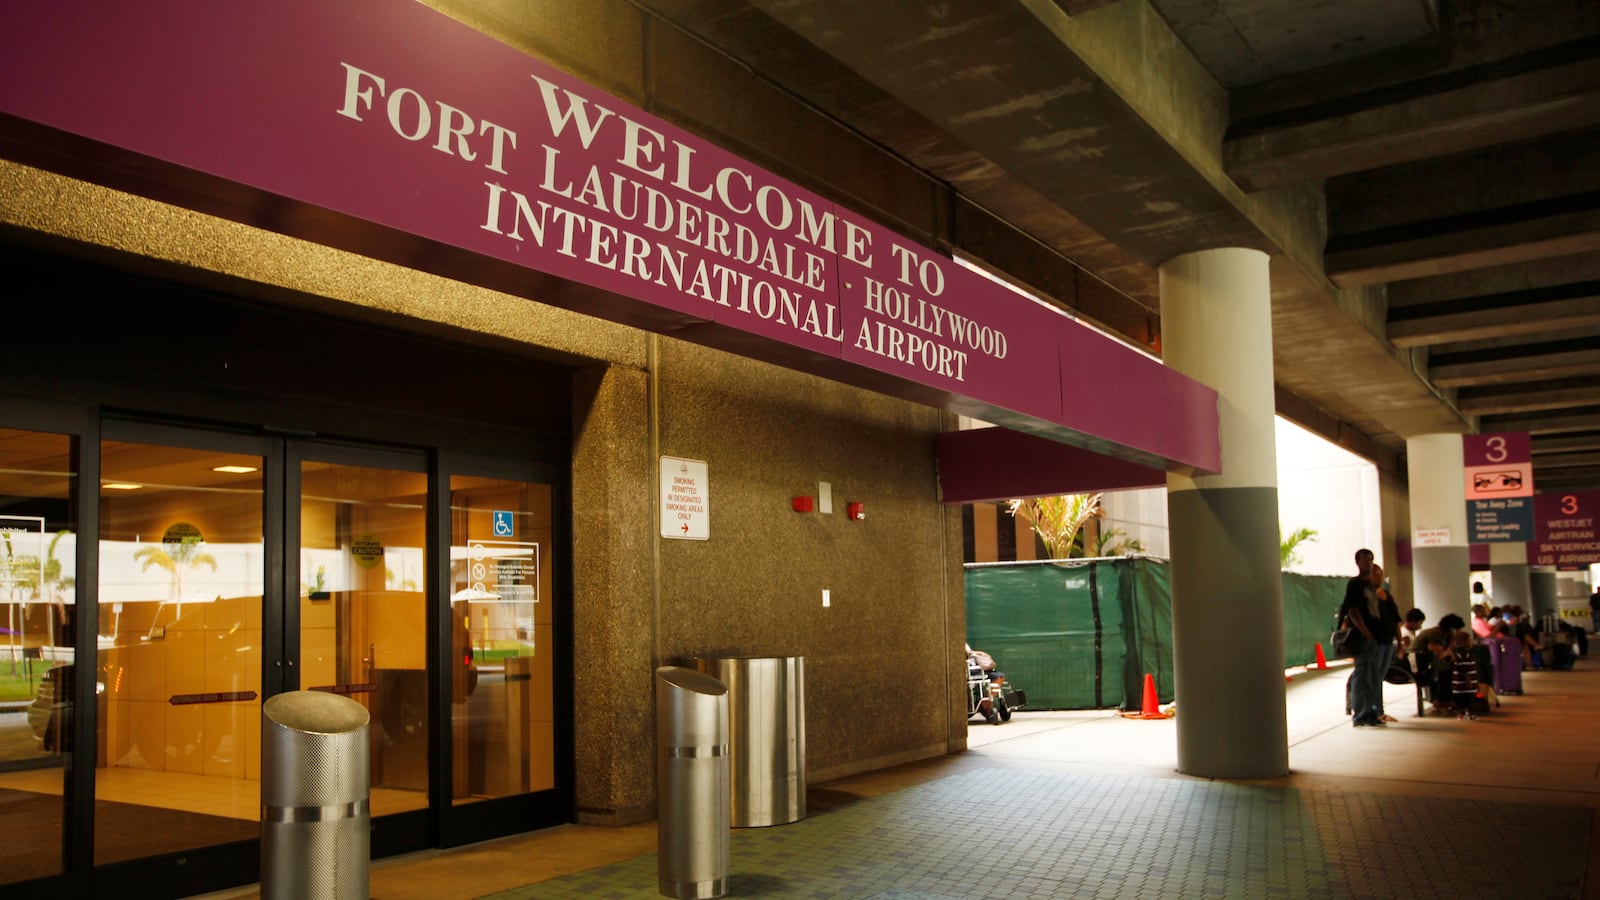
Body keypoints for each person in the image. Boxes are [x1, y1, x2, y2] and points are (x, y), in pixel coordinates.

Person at [1340, 548, 1397, 727]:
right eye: (1364, 560)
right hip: (1364, 638)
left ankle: (1372, 711)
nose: (1367, 564)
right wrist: (1367, 634)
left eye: (1370, 560)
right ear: (1357, 562)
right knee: (1362, 674)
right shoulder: (1355, 585)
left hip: (1379, 638)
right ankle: (1360, 714)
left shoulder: (1374, 587)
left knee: (1373, 677)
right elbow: (1353, 611)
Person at [1448, 630, 1480, 720]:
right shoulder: (1459, 654)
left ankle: (1465, 713)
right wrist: (1468, 679)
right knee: (1464, 700)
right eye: (1468, 640)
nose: (1470, 642)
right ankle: (1463, 713)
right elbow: (1460, 667)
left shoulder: (1468, 653)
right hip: (1462, 684)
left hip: (1469, 683)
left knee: (1468, 699)